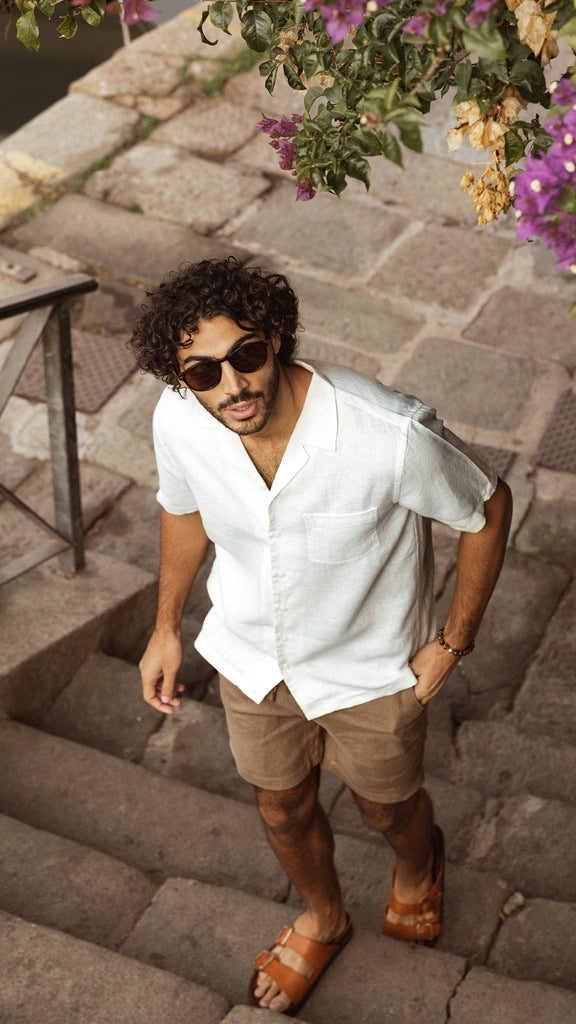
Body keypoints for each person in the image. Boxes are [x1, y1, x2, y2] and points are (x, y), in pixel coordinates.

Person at [130, 256, 512, 1016]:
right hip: (252, 655)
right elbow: (184, 508)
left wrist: (453, 643)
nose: (232, 385)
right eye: (202, 371)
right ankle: (324, 917)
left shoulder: (387, 433)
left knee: (387, 809)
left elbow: (489, 507)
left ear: (275, 338)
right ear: (181, 378)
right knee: (280, 807)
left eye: (246, 354)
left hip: (371, 668)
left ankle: (418, 869)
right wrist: (165, 627)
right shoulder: (179, 417)